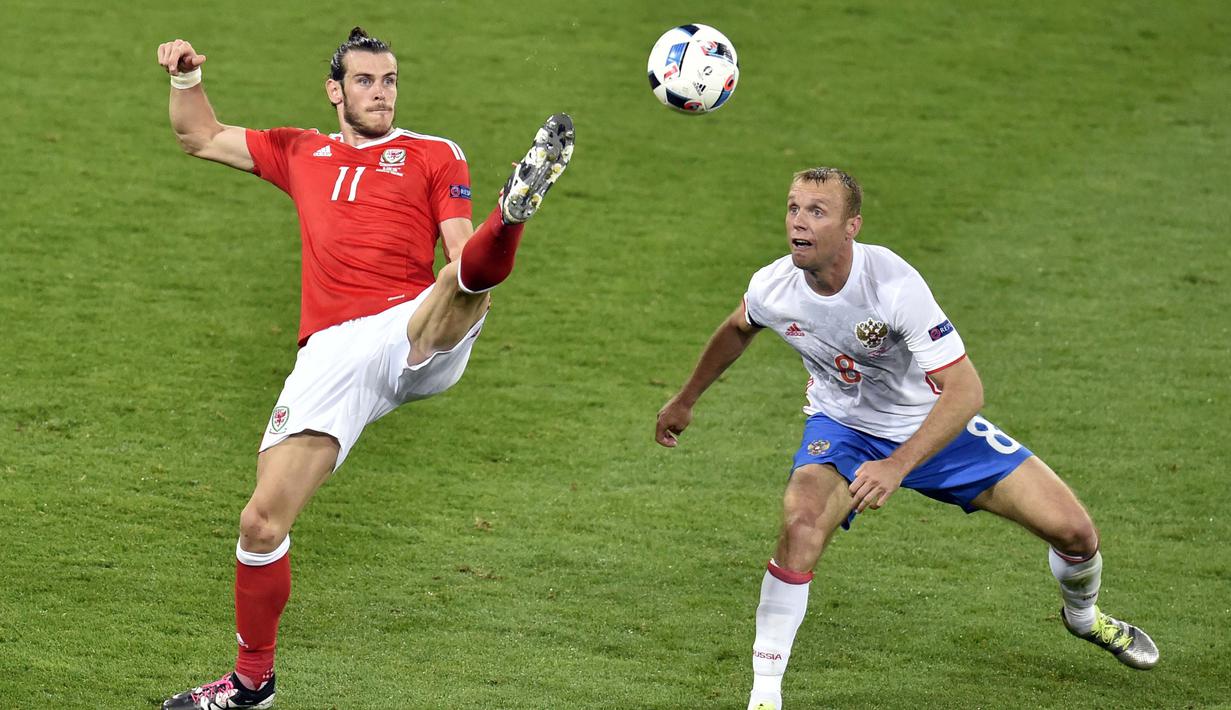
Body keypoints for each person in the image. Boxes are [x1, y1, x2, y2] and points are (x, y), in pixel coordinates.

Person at [155, 28, 573, 709]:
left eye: (389, 80)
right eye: (365, 81)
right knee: (260, 525)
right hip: (333, 355)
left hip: (411, 326)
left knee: (461, 279)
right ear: (335, 90)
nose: (381, 93)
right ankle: (252, 683)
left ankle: (513, 213)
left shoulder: (434, 154)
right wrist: (184, 76)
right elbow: (199, 135)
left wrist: (478, 263)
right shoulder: (299, 151)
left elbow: (459, 250)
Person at [654, 168, 1157, 710]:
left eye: (817, 211)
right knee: (801, 524)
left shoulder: (892, 285)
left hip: (933, 428)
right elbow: (738, 326)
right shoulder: (773, 286)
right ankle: (764, 695)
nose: (799, 222)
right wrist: (685, 399)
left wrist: (897, 465)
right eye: (794, 208)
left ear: (852, 226)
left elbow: (966, 391)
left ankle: (1083, 618)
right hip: (843, 430)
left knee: (1076, 533)